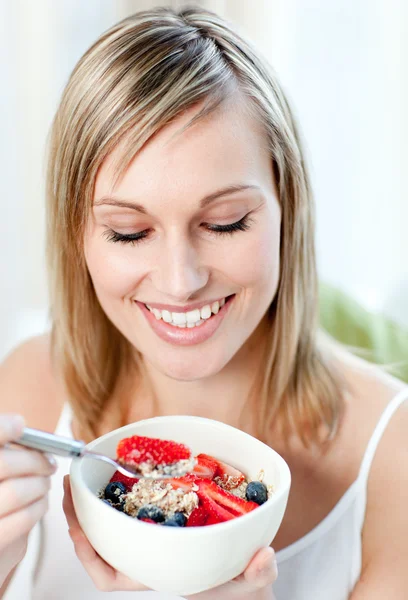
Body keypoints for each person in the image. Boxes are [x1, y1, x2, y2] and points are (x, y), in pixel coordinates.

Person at [0, 6, 407, 600]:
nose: (180, 280)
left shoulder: (394, 457)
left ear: (286, 211)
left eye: (224, 223)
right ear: (77, 239)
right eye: (129, 233)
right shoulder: (29, 387)